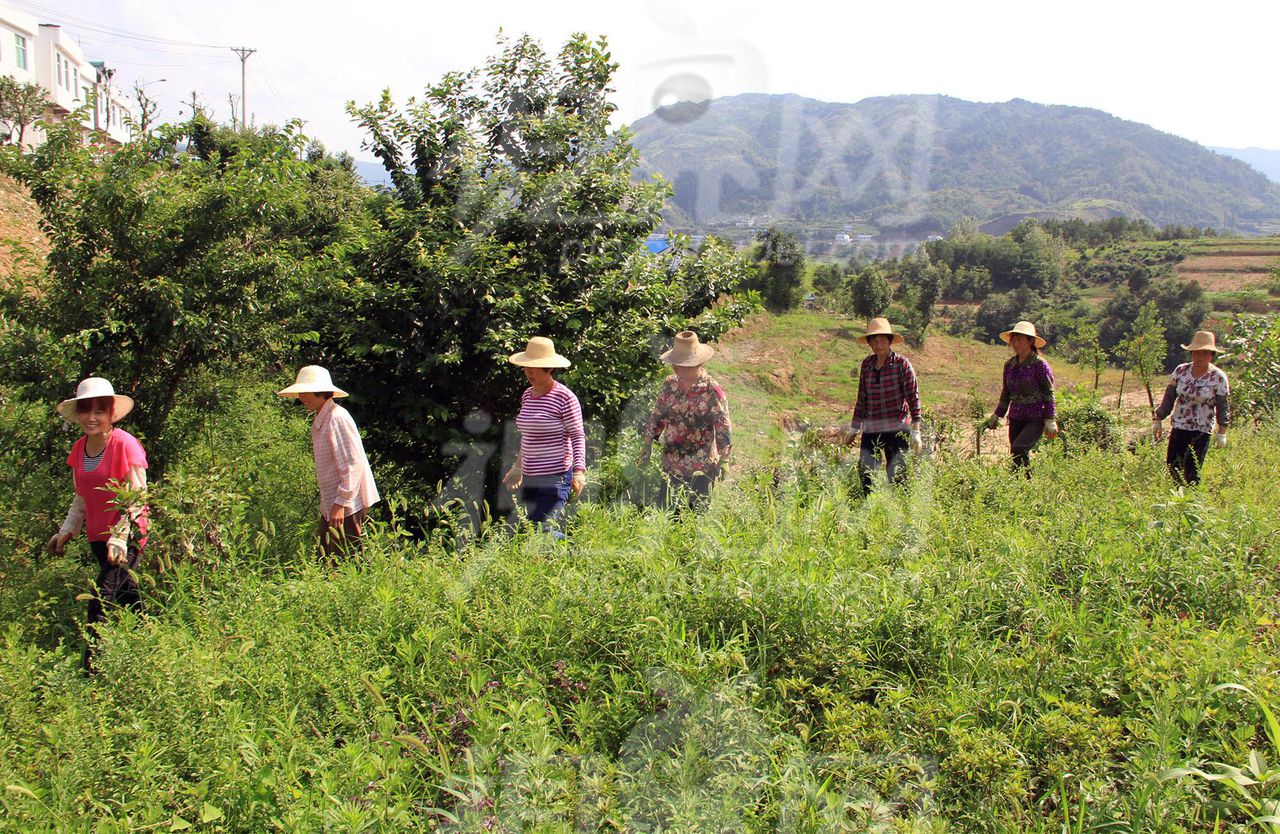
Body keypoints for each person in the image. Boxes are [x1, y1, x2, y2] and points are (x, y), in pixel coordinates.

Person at [47, 377, 149, 671]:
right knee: (128, 597)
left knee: (99, 597)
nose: (91, 418)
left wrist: (119, 537)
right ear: (78, 414)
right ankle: (150, 647)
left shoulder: (124, 444)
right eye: (85, 410)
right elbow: (81, 497)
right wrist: (66, 531)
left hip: (127, 535)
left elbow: (138, 496)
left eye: (99, 411)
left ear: (110, 413)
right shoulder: (80, 449)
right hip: (97, 535)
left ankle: (90, 671)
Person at [277, 365, 380, 558]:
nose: (302, 397)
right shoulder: (322, 418)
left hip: (347, 501)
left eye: (306, 392)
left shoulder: (336, 418)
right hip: (333, 500)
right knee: (326, 555)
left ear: (321, 392)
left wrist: (340, 503)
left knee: (346, 556)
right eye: (301, 392)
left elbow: (352, 464)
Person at [502, 337, 586, 537]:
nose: (529, 372)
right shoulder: (527, 395)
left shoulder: (565, 397)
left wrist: (579, 471)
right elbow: (529, 437)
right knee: (531, 531)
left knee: (543, 530)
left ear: (548, 368)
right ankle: (562, 563)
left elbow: (577, 436)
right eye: (526, 367)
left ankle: (575, 556)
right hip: (531, 476)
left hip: (555, 476)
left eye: (535, 368)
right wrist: (517, 467)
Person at [640, 331, 733, 509]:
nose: (677, 369)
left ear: (698, 364)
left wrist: (725, 459)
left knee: (694, 518)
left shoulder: (712, 390)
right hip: (671, 464)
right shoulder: (670, 385)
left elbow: (723, 425)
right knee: (666, 514)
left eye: (683, 365)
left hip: (701, 466)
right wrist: (647, 443)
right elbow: (657, 415)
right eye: (676, 364)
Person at [848, 318, 923, 492]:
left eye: (882, 339)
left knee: (897, 475)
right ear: (869, 343)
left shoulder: (902, 365)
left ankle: (898, 510)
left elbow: (913, 398)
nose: (878, 343)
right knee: (866, 473)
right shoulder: (867, 365)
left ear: (889, 341)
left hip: (896, 427)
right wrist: (854, 429)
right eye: (874, 340)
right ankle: (870, 510)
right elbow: (862, 398)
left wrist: (916, 431)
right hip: (872, 427)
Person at [1153, 330, 1230, 486]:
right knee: (1173, 466)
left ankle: (1191, 503)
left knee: (1192, 470)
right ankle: (1175, 500)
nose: (1199, 357)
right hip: (1180, 425)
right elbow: (1169, 397)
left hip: (1201, 428)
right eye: (1196, 353)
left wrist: (1222, 432)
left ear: (1211, 355)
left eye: (1203, 353)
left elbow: (1222, 406)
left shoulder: (1218, 377)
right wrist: (1158, 418)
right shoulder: (1181, 371)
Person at [984, 320, 1058, 476]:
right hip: (1016, 416)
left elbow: (1049, 393)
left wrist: (1050, 419)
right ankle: (1019, 485)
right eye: (1013, 339)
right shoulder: (1010, 365)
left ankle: (1027, 483)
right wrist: (997, 415)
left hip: (1035, 417)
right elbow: (1006, 393)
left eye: (1019, 339)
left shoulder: (1039, 365)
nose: (1015, 343)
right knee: (1016, 454)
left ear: (1030, 341)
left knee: (1020, 447)